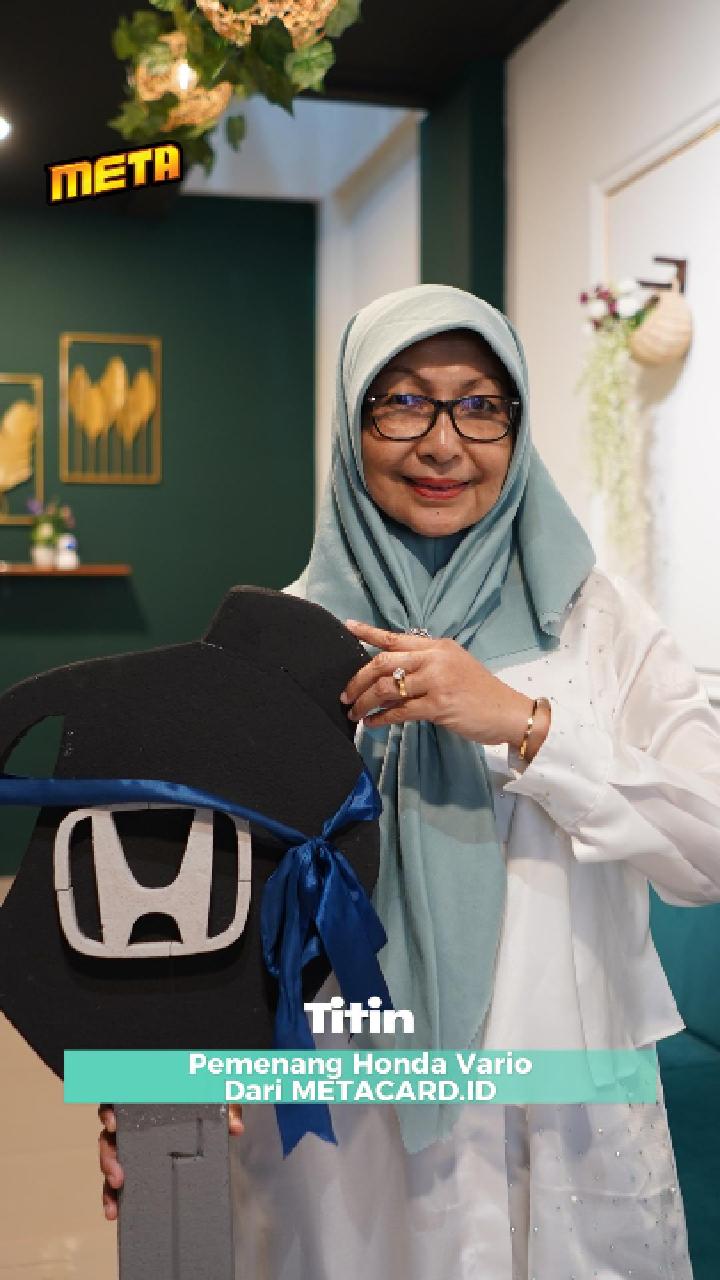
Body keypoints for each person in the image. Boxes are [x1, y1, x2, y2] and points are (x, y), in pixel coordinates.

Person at [99, 283, 720, 1279]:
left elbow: (710, 846)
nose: (443, 443)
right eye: (402, 402)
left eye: (479, 405)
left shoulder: (594, 623)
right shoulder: (278, 642)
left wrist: (524, 725)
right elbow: (199, 900)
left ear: (516, 423)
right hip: (340, 1119)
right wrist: (151, 1090)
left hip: (560, 1116)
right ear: (352, 424)